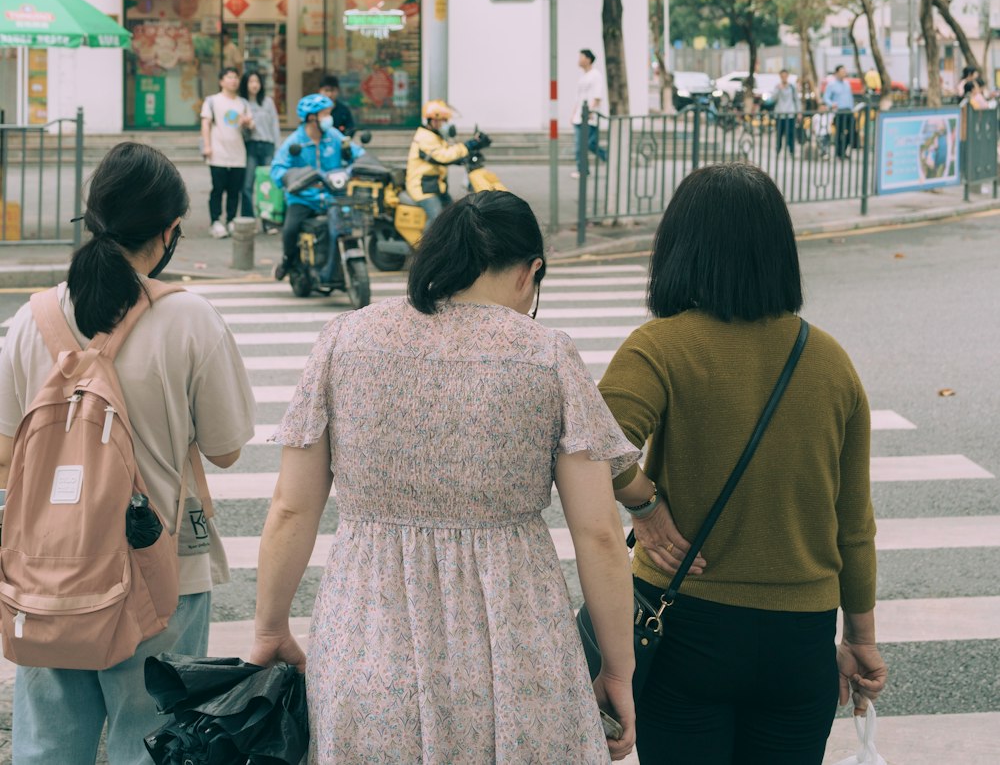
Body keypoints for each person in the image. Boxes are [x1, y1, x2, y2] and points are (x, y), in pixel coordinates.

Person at [249, 191, 639, 763]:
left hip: (368, 644)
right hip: (518, 653)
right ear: (531, 272)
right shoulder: (546, 356)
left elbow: (291, 508)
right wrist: (617, 671)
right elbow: (600, 533)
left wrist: (269, 628)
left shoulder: (346, 340)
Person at [599, 163, 887, 765]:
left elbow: (593, 442)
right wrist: (860, 637)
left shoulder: (661, 346)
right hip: (799, 638)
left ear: (679, 248)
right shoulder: (830, 362)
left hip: (684, 624)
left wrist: (644, 504)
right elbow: (853, 523)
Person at [0, 142, 255, 765]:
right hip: (159, 568)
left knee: (47, 746)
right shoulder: (190, 319)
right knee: (150, 743)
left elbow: (6, 454)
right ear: (169, 232)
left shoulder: (29, 322)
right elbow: (225, 449)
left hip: (49, 573)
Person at [272, 94, 364, 283]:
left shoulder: (334, 136)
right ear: (311, 118)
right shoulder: (294, 142)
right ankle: (287, 261)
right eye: (325, 114)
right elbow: (277, 169)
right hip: (305, 198)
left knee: (349, 226)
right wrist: (291, 178)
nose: (329, 118)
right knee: (290, 230)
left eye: (328, 113)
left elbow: (357, 153)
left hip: (334, 195)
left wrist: (362, 164)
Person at [405, 98, 484, 223]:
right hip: (423, 188)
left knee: (454, 214)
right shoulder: (425, 137)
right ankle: (426, 243)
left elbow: (447, 153)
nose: (446, 124)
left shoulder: (435, 136)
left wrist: (462, 157)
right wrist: (468, 145)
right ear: (433, 120)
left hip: (435, 186)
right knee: (437, 221)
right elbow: (443, 156)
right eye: (444, 120)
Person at [200, 66, 252, 238]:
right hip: (218, 154)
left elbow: (251, 125)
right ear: (221, 81)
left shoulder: (243, 103)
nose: (233, 80)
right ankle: (215, 221)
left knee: (234, 190)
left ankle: (231, 220)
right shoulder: (212, 101)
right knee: (217, 189)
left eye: (236, 77)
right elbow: (205, 124)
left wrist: (247, 123)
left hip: (238, 154)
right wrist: (207, 146)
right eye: (229, 77)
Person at [239, 69, 282, 219]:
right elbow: (239, 131)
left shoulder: (268, 102)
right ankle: (248, 218)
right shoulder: (241, 103)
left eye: (257, 81)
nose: (254, 85)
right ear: (245, 84)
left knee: (268, 184)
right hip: (250, 146)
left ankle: (269, 219)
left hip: (267, 146)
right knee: (247, 185)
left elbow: (275, 125)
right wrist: (246, 127)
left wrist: (278, 148)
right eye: (251, 81)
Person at [572, 48, 608, 179]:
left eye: (581, 57)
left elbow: (597, 96)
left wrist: (591, 110)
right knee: (583, 145)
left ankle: (606, 158)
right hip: (579, 117)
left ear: (587, 59)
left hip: (589, 117)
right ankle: (584, 169)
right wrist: (573, 114)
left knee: (587, 145)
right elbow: (578, 98)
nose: (579, 59)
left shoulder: (595, 75)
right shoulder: (583, 77)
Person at [823, 64, 855, 160]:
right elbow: (826, 98)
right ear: (837, 73)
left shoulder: (847, 84)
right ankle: (839, 153)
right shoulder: (831, 84)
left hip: (849, 111)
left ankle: (843, 151)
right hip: (839, 112)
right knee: (839, 133)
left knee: (852, 132)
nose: (844, 74)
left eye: (844, 72)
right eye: (842, 72)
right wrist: (831, 104)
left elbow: (850, 97)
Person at [772, 69, 800, 155]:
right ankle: (778, 149)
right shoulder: (777, 87)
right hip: (780, 114)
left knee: (790, 133)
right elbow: (774, 98)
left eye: (785, 76)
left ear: (787, 76)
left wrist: (798, 112)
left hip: (790, 114)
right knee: (779, 133)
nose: (784, 77)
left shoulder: (792, 87)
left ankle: (791, 150)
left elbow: (796, 100)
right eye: (782, 76)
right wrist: (779, 89)